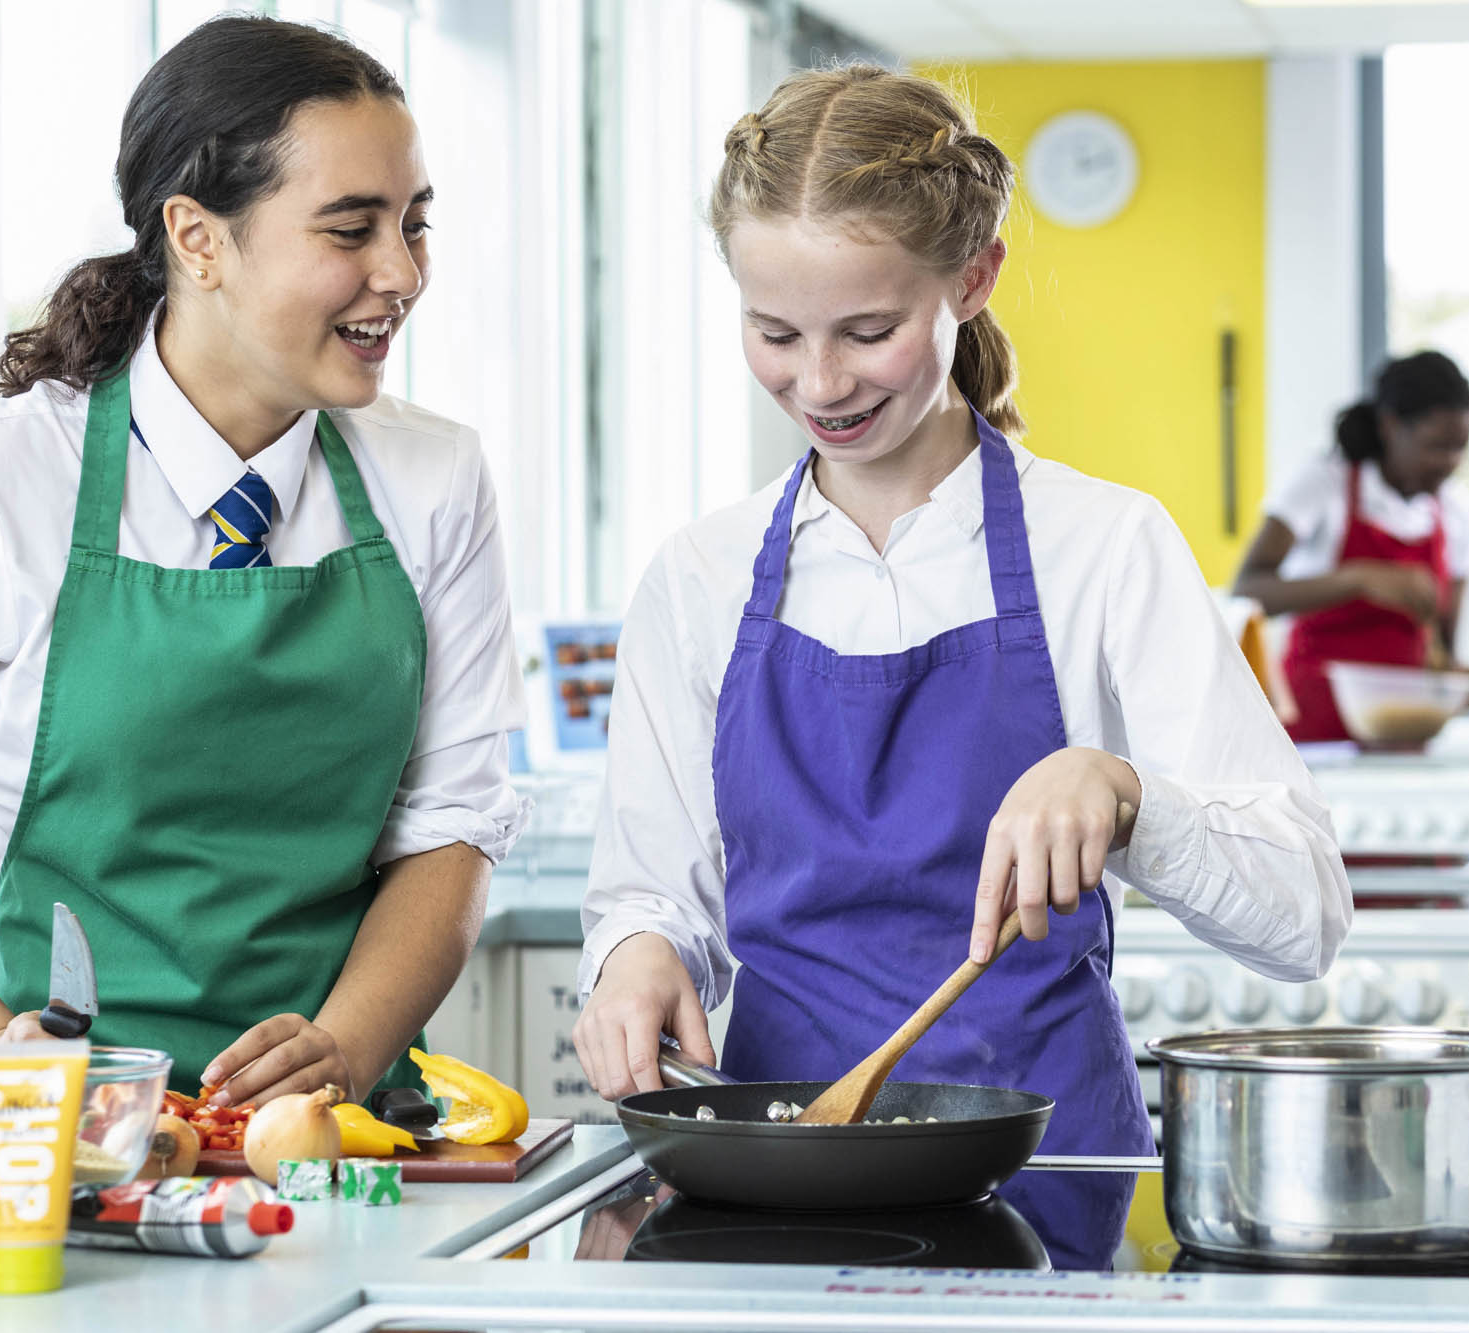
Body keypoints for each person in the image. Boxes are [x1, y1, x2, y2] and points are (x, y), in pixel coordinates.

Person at [571, 64, 1351, 1156]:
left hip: (1044, 1174)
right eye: (775, 334)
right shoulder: (698, 576)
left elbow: (1304, 914)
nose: (822, 383)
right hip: (772, 1174)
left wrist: (1124, 794)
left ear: (974, 278)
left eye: (867, 328)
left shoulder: (1103, 546)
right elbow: (653, 891)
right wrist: (638, 953)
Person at [0, 16, 524, 1103]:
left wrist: (343, 1050)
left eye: (414, 225)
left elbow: (453, 823)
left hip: (337, 1131)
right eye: (349, 230)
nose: (400, 273)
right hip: (54, 1139)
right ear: (197, 237)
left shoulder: (434, 480)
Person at [1234, 352, 1469, 743]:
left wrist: (1459, 682)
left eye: (1460, 448)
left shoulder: (1457, 512)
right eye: (1435, 446)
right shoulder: (1324, 483)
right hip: (1311, 731)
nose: (1449, 463)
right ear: (1390, 426)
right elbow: (1248, 591)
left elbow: (1444, 652)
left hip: (1403, 735)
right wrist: (1358, 580)